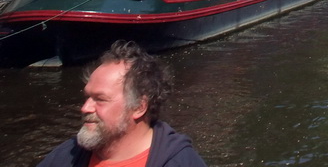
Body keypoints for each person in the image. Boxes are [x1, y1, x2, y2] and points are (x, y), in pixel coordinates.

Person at [37, 40, 207, 167]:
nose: (85, 108)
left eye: (100, 99)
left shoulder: (180, 162)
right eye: (87, 97)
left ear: (139, 107)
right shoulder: (66, 156)